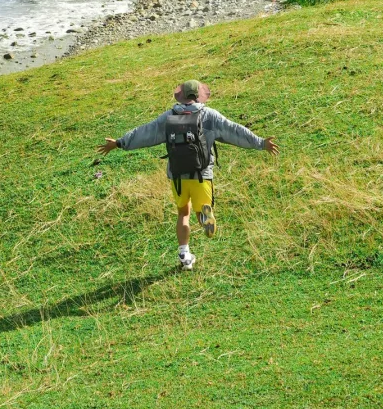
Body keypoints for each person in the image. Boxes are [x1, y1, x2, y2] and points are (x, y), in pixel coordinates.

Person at [98, 79, 278, 271]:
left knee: (183, 212)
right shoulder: (209, 115)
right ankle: (205, 218)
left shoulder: (169, 117)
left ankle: (184, 254)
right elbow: (234, 130)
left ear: (181, 96)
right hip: (202, 176)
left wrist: (119, 142)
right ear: (199, 95)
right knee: (202, 210)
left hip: (177, 176)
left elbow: (145, 132)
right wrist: (260, 143)